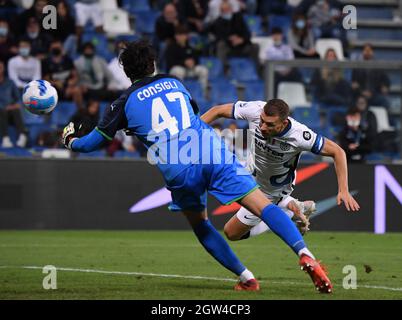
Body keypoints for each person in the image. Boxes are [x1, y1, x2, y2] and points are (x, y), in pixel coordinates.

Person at [61, 39, 333, 293]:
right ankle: (305, 254)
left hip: (178, 168)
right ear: (153, 64)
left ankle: (247, 278)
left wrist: (71, 140)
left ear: (126, 71)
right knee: (264, 206)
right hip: (210, 150)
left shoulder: (122, 103)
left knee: (202, 225)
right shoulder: (174, 82)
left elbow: (92, 143)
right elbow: (190, 113)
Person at [201, 99, 360, 240]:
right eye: (262, 121)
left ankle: (287, 212)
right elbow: (218, 110)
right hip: (248, 173)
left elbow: (337, 151)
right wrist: (190, 133)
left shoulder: (300, 136)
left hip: (271, 191)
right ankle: (293, 206)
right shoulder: (255, 109)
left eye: (270, 125)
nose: (262, 127)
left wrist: (343, 190)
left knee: (232, 233)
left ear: (283, 124)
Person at [165, 25, 208, 91]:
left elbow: (196, 59)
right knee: (178, 71)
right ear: (175, 36)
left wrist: (193, 62)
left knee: (203, 70)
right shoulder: (171, 47)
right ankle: (180, 92)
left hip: (190, 69)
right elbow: (170, 62)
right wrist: (184, 62)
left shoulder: (190, 47)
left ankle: (204, 92)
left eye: (183, 35)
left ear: (186, 36)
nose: (181, 37)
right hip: (177, 70)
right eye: (179, 35)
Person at [0, 60, 28, 148]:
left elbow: (18, 98)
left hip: (11, 111)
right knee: (2, 111)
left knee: (16, 110)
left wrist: (15, 105)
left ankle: (22, 136)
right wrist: (4, 107)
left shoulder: (10, 82)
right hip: (1, 111)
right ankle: (5, 138)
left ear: (3, 69)